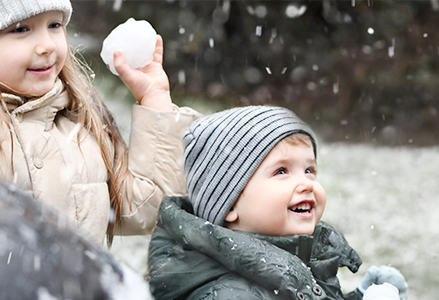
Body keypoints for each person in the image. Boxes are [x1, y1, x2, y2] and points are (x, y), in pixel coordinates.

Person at [0, 0, 201, 246]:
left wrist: (155, 98)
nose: (48, 44)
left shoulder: (80, 124)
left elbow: (150, 208)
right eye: (21, 29)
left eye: (54, 25)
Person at [147, 106, 408, 299]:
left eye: (309, 170)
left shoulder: (297, 259)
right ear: (230, 205)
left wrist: (362, 295)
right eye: (281, 171)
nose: (306, 183)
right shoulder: (228, 294)